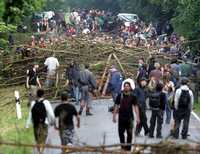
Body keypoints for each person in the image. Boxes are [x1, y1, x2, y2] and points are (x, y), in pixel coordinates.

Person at [113, 82, 140, 151]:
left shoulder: (133, 96)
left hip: (130, 118)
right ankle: (123, 147)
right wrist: (114, 116)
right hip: (121, 118)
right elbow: (116, 105)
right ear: (123, 87)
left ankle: (128, 149)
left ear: (130, 87)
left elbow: (136, 107)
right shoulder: (120, 95)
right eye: (125, 86)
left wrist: (138, 117)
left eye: (128, 86)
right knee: (120, 133)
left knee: (130, 134)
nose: (126, 87)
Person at [26, 89, 55, 153]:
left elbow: (30, 114)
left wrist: (27, 124)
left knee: (37, 140)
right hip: (44, 123)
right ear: (43, 95)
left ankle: (39, 151)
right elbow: (51, 114)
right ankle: (42, 151)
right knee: (43, 139)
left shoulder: (33, 103)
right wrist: (52, 122)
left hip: (36, 124)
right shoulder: (46, 102)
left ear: (37, 95)